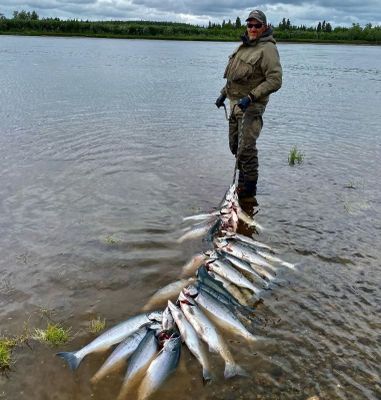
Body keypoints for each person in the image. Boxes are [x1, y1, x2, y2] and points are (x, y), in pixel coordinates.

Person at [215, 9, 282, 203]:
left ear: (264, 27)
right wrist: (222, 95)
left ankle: (248, 193)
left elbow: (275, 80)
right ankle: (242, 185)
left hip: (251, 107)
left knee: (247, 149)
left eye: (257, 25)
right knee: (235, 146)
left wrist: (251, 97)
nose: (252, 28)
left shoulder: (268, 49)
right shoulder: (244, 46)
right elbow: (235, 79)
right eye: (250, 24)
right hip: (235, 104)